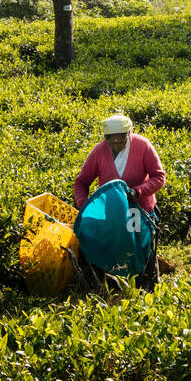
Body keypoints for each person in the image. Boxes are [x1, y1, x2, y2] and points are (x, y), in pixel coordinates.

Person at [74, 113, 166, 291]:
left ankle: (149, 290)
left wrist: (138, 191)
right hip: (113, 215)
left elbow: (159, 177)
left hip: (141, 211)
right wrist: (84, 206)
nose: (115, 144)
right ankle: (115, 291)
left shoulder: (143, 146)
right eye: (111, 140)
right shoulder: (99, 151)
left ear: (129, 134)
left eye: (120, 140)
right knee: (114, 252)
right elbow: (81, 183)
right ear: (105, 138)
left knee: (144, 251)